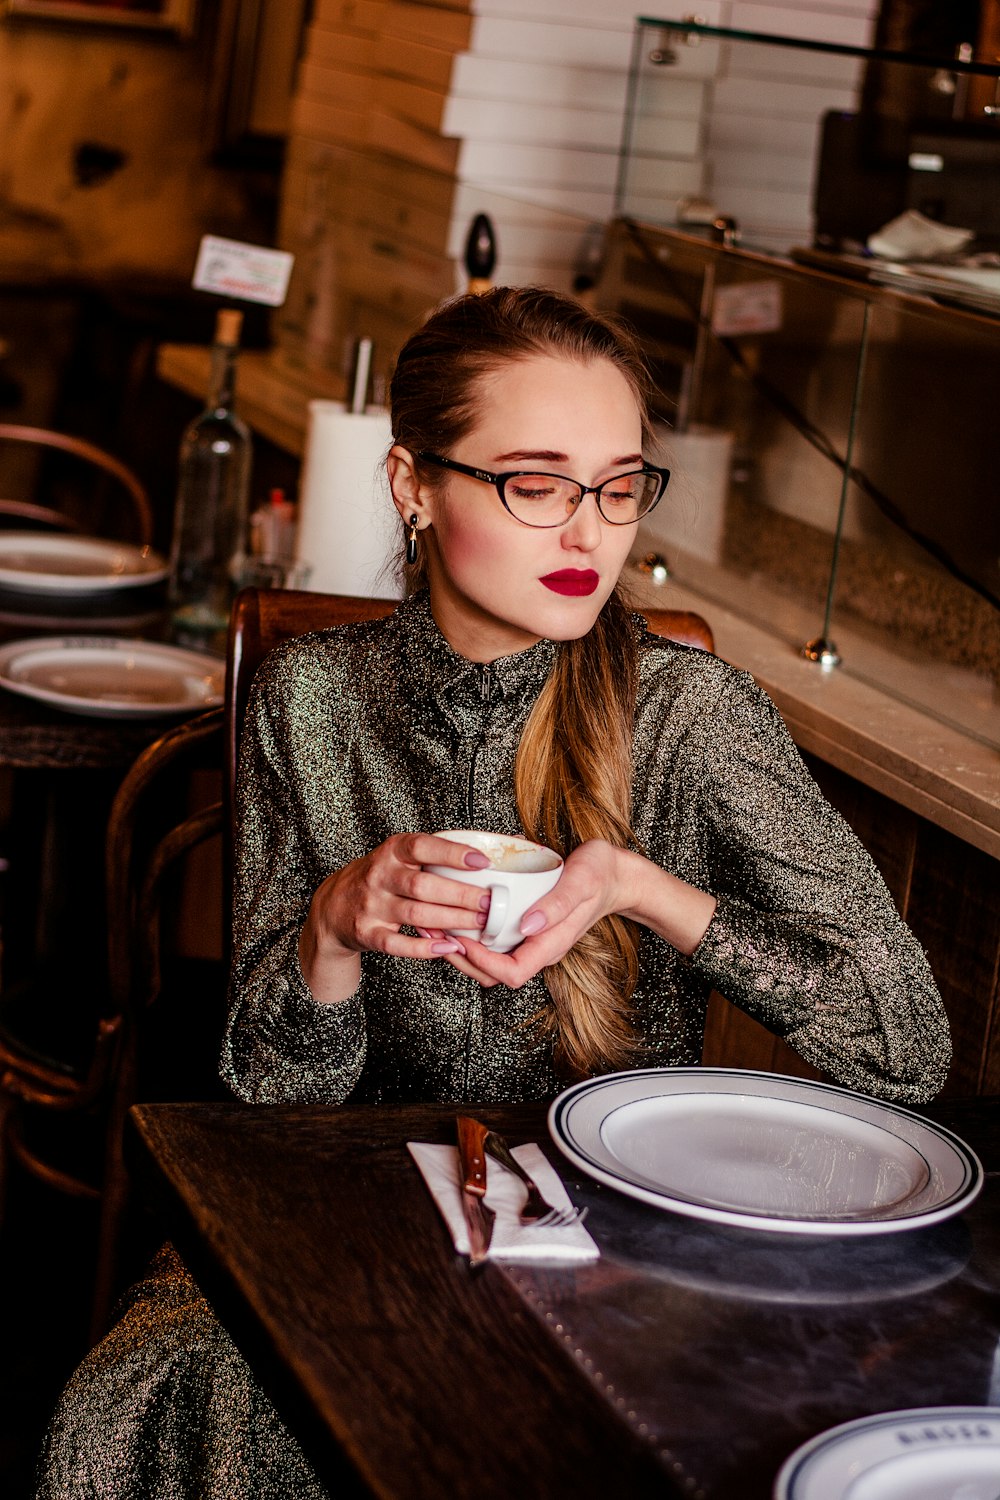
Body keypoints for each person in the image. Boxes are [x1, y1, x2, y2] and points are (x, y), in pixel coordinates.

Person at [35, 287, 950, 1498]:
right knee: (143, 1395)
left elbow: (907, 1049)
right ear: (415, 485)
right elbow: (269, 1090)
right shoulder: (314, 698)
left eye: (619, 487)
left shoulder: (691, 716)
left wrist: (650, 892)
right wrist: (330, 927)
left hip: (622, 1237)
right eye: (537, 484)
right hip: (353, 1206)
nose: (588, 534)